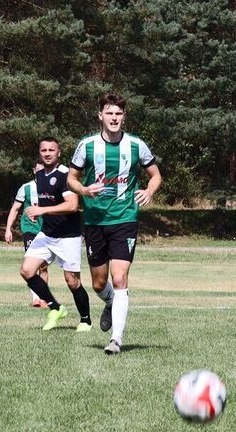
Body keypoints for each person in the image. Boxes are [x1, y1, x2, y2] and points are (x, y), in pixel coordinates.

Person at [68, 93, 162, 355]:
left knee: (119, 278)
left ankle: (116, 339)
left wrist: (149, 191)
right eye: (109, 113)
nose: (114, 118)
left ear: (124, 117)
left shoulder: (136, 145)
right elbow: (72, 180)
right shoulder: (86, 145)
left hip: (125, 218)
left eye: (118, 113)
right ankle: (110, 301)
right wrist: (84, 191)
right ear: (100, 116)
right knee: (99, 284)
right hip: (95, 220)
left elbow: (155, 175)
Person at [19, 138, 92, 331]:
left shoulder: (66, 175)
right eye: (44, 150)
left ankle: (85, 321)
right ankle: (55, 307)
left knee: (72, 281)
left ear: (59, 153)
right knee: (27, 271)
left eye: (52, 150)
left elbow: (72, 205)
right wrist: (38, 211)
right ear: (39, 153)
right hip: (47, 234)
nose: (47, 153)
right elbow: (48, 203)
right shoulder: (40, 175)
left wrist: (42, 211)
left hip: (69, 236)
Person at [5, 161, 49, 308]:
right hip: (30, 230)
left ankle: (44, 299)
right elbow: (15, 209)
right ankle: (36, 298)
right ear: (34, 170)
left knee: (43, 266)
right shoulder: (26, 188)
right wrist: (8, 229)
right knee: (33, 264)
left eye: (44, 169)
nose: (41, 171)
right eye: (38, 169)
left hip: (47, 230)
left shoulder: (52, 186)